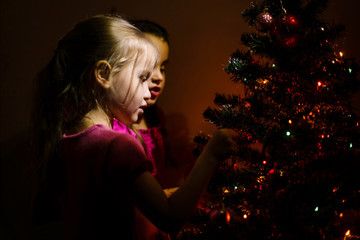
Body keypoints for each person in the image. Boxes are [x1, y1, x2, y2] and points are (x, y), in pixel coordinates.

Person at [31, 14, 238, 240]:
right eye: (142, 78)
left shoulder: (69, 136)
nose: (148, 91)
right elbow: (170, 218)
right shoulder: (116, 145)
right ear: (103, 74)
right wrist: (211, 154)